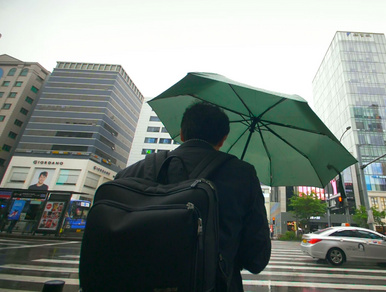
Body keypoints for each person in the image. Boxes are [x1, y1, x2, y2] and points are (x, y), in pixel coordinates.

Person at [116, 101, 271, 291]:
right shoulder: (243, 175)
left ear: (182, 133)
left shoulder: (130, 174)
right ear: (223, 139)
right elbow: (257, 259)